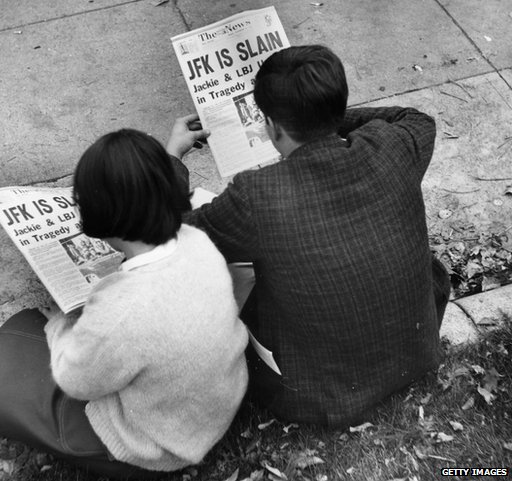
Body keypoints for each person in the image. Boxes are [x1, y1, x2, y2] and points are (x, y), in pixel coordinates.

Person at [165, 45, 451, 427]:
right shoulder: (393, 145)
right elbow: (412, 118)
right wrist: (324, 116)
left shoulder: (257, 195)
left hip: (316, 397)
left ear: (272, 126)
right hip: (415, 354)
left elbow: (172, 231)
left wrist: (171, 157)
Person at [0, 129, 249, 478]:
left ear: (99, 219)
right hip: (219, 399)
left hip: (162, 444)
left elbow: (78, 382)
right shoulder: (197, 240)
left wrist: (60, 323)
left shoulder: (122, 310)